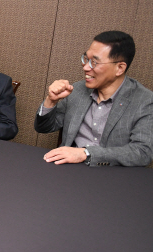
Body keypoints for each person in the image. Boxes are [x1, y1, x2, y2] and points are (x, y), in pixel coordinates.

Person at [34, 31, 153, 167]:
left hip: (114, 176)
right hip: (69, 170)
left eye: (94, 62)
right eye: (86, 59)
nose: (85, 67)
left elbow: (142, 152)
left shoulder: (145, 101)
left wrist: (86, 153)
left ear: (119, 68)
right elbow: (43, 128)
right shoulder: (78, 90)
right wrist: (51, 101)